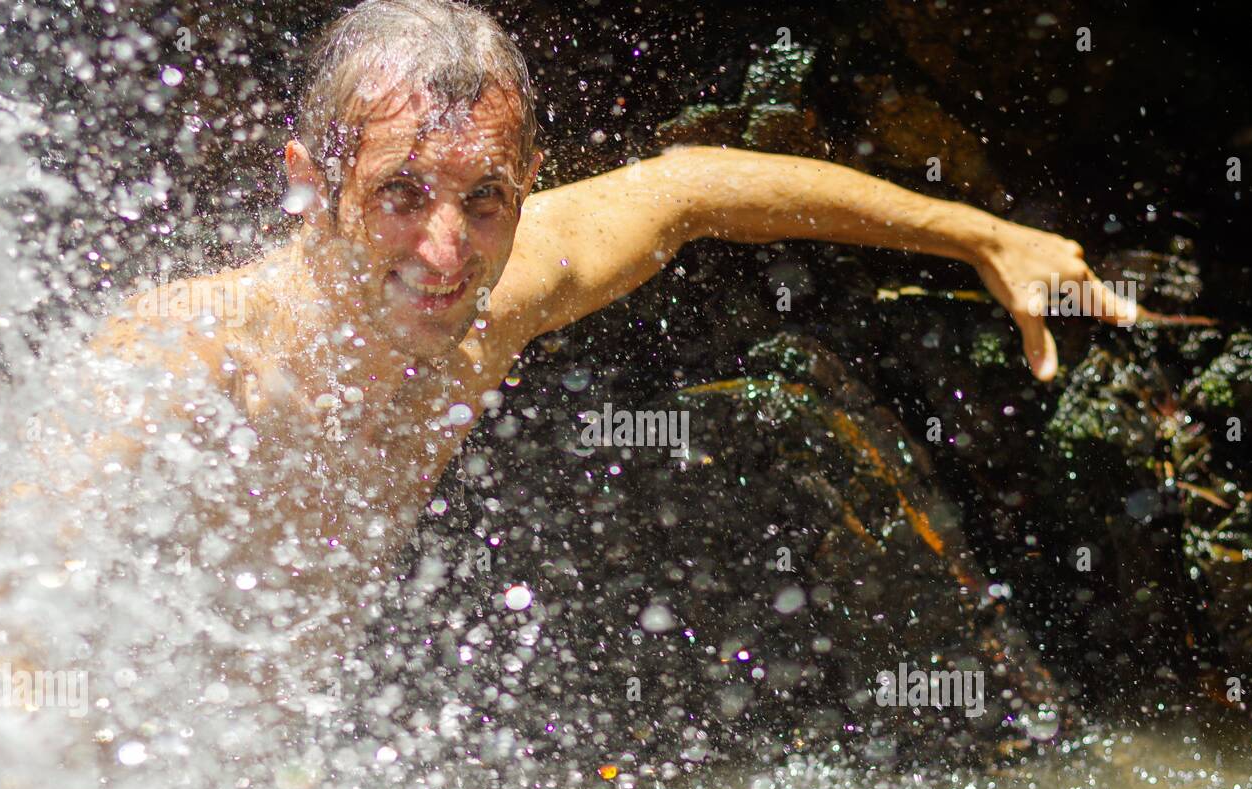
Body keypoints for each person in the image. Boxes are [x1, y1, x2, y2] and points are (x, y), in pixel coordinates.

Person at [86, 0, 1138, 648]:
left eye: (486, 200)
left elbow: (692, 190)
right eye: (399, 194)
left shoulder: (498, 296)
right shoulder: (185, 357)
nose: (447, 256)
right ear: (310, 186)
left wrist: (980, 236)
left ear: (530, 185)